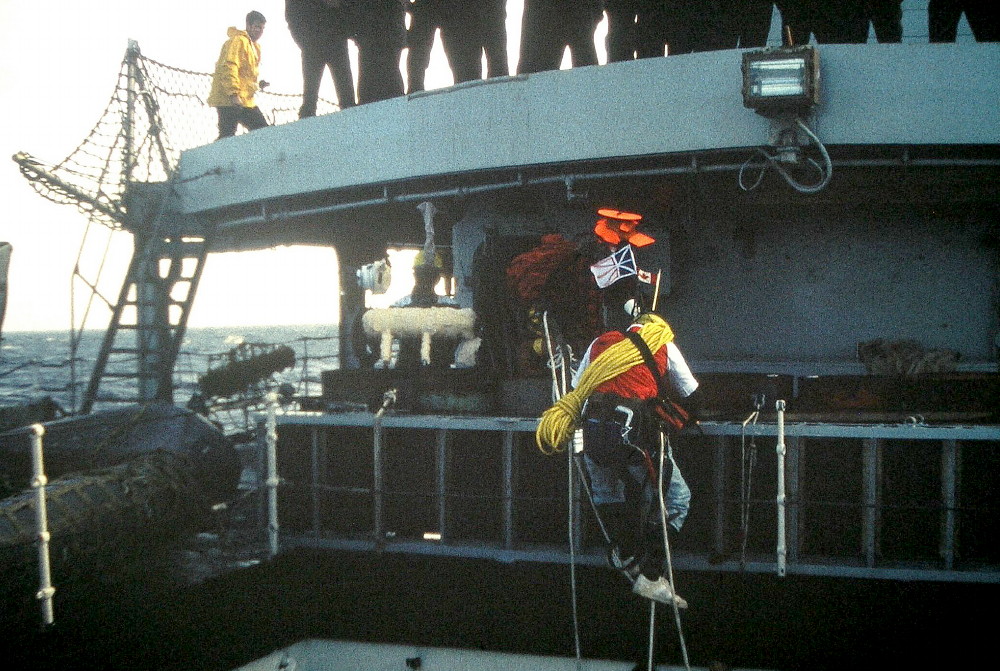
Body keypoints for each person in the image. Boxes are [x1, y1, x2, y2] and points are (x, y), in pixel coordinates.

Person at [536, 306, 701, 607]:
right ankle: (651, 577)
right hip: (636, 441)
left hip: (595, 434)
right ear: (657, 326)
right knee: (675, 501)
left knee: (607, 492)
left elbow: (578, 387)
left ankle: (624, 554)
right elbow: (689, 392)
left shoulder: (600, 343)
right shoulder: (662, 343)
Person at [286, 0, 356, 116]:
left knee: (346, 95)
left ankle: (352, 122)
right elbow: (292, 17)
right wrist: (305, 44)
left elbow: (292, 17)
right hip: (319, 45)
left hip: (334, 42)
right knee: (311, 97)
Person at [208, 11, 270, 139]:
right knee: (227, 135)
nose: (260, 31)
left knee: (263, 131)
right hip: (228, 98)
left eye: (262, 28)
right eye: (257, 27)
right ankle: (217, 158)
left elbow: (245, 76)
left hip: (245, 99)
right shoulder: (238, 41)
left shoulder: (254, 46)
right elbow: (229, 66)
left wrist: (258, 85)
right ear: (248, 25)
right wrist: (233, 94)